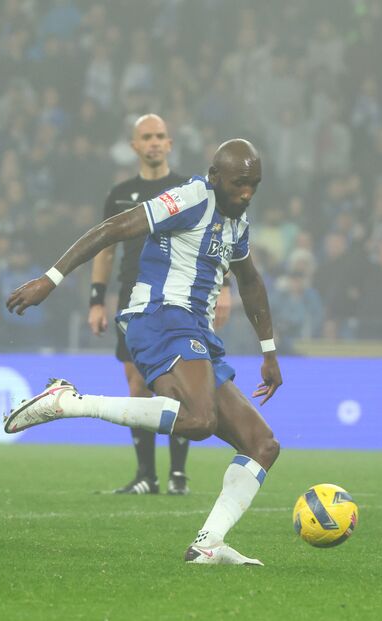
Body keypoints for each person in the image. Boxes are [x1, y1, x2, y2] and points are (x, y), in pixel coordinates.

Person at [5, 139, 282, 565]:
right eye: (240, 183)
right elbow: (113, 228)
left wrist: (269, 351)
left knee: (262, 445)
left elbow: (250, 282)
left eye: (255, 185)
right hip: (158, 315)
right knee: (199, 420)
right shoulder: (191, 198)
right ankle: (69, 402)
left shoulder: (237, 223)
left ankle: (208, 544)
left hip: (196, 332)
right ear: (216, 177)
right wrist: (52, 278)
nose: (247, 193)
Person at [88, 113, 228, 496]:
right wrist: (96, 299)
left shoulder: (187, 188)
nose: (153, 142)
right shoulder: (118, 193)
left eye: (160, 136)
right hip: (133, 301)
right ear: (134, 145)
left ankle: (178, 475)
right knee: (137, 384)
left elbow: (214, 240)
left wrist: (225, 288)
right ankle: (146, 475)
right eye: (146, 136)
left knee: (181, 385)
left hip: (181, 300)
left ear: (170, 144)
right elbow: (105, 249)